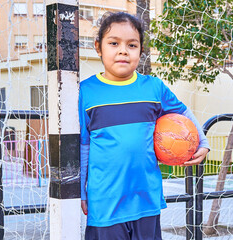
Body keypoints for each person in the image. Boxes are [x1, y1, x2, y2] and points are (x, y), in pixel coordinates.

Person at [79, 12, 210, 240]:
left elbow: (183, 112)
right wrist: (81, 191)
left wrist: (203, 142)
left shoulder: (153, 88)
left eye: (132, 45)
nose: (123, 50)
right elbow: (83, 145)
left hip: (145, 199)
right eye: (114, 43)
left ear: (140, 51)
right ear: (98, 48)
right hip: (105, 202)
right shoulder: (86, 92)